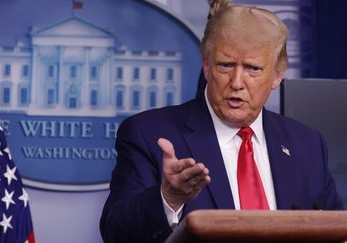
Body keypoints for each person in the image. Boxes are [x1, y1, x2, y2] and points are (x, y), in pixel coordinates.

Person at [100, 5, 344, 243]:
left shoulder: (306, 144)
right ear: (206, 66)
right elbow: (115, 233)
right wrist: (168, 198)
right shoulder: (150, 133)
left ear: (277, 76)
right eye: (226, 65)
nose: (237, 82)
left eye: (252, 68)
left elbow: (337, 231)